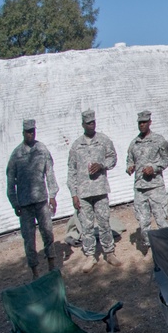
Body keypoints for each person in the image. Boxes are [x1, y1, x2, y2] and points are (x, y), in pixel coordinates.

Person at [68, 109, 120, 272]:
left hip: (100, 190)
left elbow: (113, 158)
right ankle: (90, 256)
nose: (91, 125)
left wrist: (102, 165)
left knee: (104, 222)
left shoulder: (104, 141)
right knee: (86, 226)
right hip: (83, 194)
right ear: (83, 124)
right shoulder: (76, 146)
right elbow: (71, 171)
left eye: (93, 122)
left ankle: (109, 252)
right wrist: (74, 194)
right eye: (88, 123)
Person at [6, 119, 59, 279]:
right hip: (25, 205)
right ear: (23, 133)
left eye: (33, 131)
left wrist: (52, 195)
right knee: (29, 239)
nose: (31, 134)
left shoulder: (42, 150)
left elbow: (50, 173)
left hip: (41, 201)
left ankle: (51, 266)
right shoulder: (16, 155)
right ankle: (35, 272)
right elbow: (10, 182)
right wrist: (15, 203)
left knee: (48, 232)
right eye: (28, 132)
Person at [126, 110, 168, 249]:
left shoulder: (159, 140)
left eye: (144, 122)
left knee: (161, 219)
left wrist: (155, 168)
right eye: (140, 123)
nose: (142, 125)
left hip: (155, 187)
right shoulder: (134, 143)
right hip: (140, 188)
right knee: (143, 221)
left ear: (150, 123)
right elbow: (129, 160)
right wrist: (130, 167)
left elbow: (167, 159)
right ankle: (150, 246)